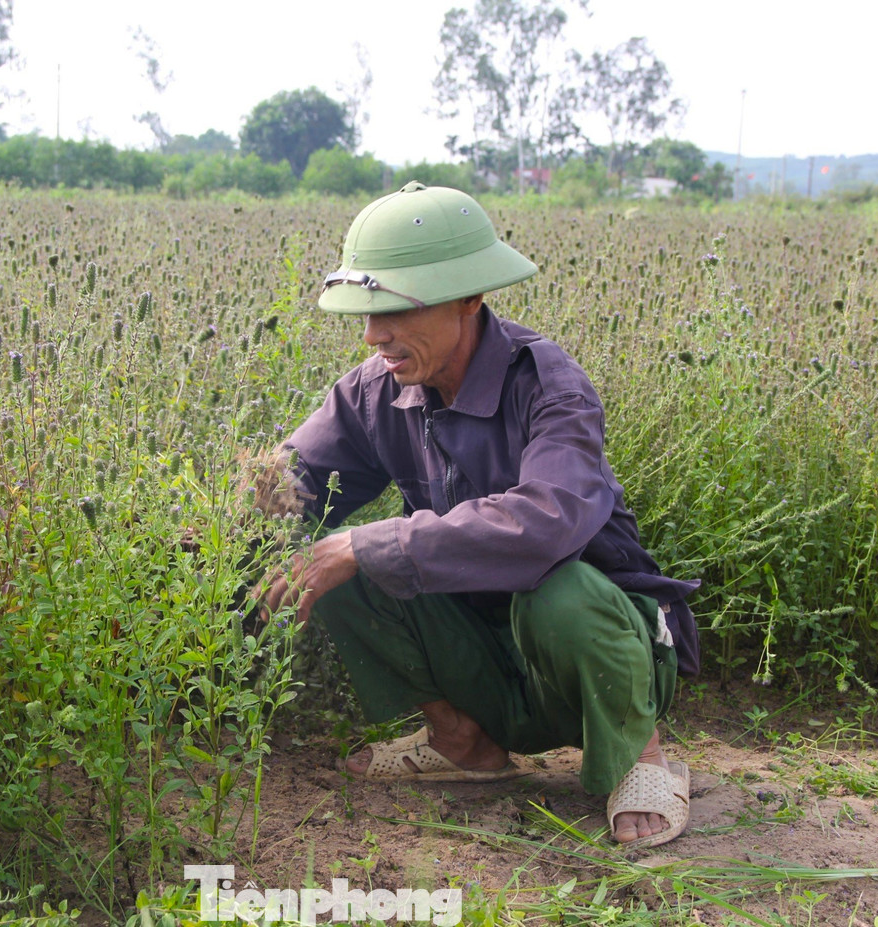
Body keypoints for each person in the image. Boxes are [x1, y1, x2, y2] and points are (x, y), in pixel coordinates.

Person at [257, 181, 701, 849]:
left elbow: (547, 521)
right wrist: (179, 537)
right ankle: (461, 739)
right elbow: (289, 487)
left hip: (602, 646)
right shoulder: (374, 391)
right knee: (326, 557)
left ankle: (641, 755)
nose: (375, 334)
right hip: (477, 648)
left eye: (397, 309)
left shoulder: (549, 384)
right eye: (367, 313)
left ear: (470, 298)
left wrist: (374, 542)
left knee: (560, 589)